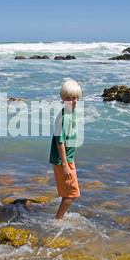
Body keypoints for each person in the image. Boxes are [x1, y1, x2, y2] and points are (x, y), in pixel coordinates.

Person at [49, 78, 82, 220]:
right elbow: (60, 142)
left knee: (67, 189)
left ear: (78, 98)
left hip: (67, 158)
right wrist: (65, 165)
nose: (71, 100)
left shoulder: (71, 113)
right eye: (67, 98)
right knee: (72, 194)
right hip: (63, 161)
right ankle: (58, 219)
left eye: (74, 98)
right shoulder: (64, 118)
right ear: (62, 98)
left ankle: (62, 213)